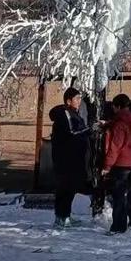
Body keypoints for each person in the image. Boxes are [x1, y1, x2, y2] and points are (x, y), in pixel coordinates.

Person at [48, 86, 91, 228]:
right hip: (66, 159)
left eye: (80, 98)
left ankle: (64, 215)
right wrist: (89, 130)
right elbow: (72, 132)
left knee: (70, 188)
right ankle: (61, 216)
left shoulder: (74, 113)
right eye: (77, 98)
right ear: (68, 100)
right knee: (65, 188)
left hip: (74, 158)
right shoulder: (65, 114)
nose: (79, 101)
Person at [104, 93, 131, 234]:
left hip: (122, 164)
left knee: (119, 196)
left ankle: (118, 226)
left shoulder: (120, 124)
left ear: (118, 106)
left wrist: (107, 166)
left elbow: (115, 147)